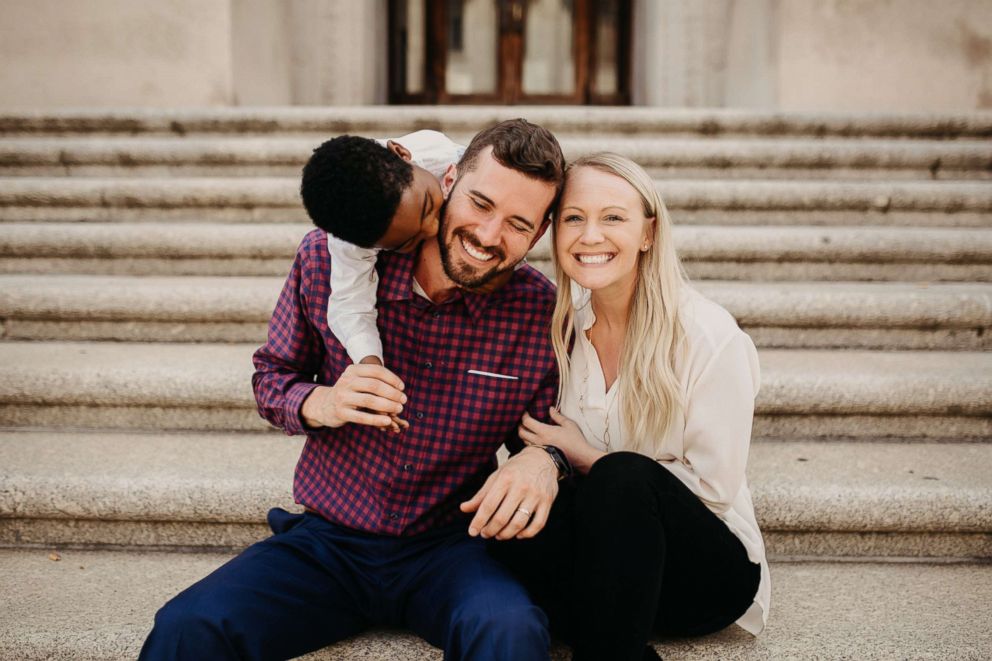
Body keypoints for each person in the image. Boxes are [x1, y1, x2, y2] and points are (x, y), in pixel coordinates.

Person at [139, 119, 570, 661]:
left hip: (451, 550)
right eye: (480, 203)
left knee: (510, 631)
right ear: (451, 177)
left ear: (540, 232)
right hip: (328, 543)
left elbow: (554, 434)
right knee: (187, 627)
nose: (488, 235)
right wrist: (323, 402)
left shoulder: (541, 313)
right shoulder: (332, 256)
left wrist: (544, 460)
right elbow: (272, 377)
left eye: (518, 224)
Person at [491, 153, 770, 661]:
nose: (590, 236)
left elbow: (714, 490)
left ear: (648, 232)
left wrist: (586, 457)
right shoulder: (562, 333)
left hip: (700, 577)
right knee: (498, 511)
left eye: (613, 217)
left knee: (622, 477)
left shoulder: (707, 336)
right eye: (574, 218)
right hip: (604, 572)